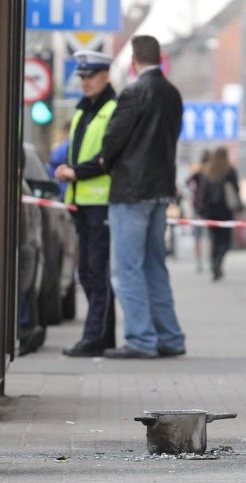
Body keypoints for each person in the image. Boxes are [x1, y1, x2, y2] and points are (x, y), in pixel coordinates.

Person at [99, 35, 186, 359]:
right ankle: (170, 337)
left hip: (131, 192)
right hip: (160, 190)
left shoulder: (134, 92)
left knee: (127, 269)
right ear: (160, 58)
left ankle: (141, 340)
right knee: (154, 266)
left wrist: (106, 163)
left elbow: (112, 141)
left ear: (133, 61)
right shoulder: (173, 94)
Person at [54, 50, 117, 357]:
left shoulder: (113, 110)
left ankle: (95, 337)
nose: (85, 82)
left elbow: (108, 158)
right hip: (81, 202)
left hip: (101, 203)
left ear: (105, 76)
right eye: (81, 77)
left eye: (90, 76)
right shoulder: (83, 111)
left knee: (96, 272)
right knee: (88, 273)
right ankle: (102, 336)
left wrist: (74, 172)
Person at [197, 146, 241, 282]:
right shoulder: (230, 171)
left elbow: (203, 192)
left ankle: (214, 263)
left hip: (211, 212)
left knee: (214, 240)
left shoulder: (208, 171)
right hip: (225, 211)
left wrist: (201, 210)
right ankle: (218, 261)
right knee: (225, 241)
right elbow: (236, 190)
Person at [185, 150, 210, 273]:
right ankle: (211, 261)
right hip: (209, 208)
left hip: (197, 207)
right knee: (211, 236)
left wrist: (194, 193)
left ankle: (199, 262)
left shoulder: (198, 173)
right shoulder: (212, 173)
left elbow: (187, 182)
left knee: (197, 236)